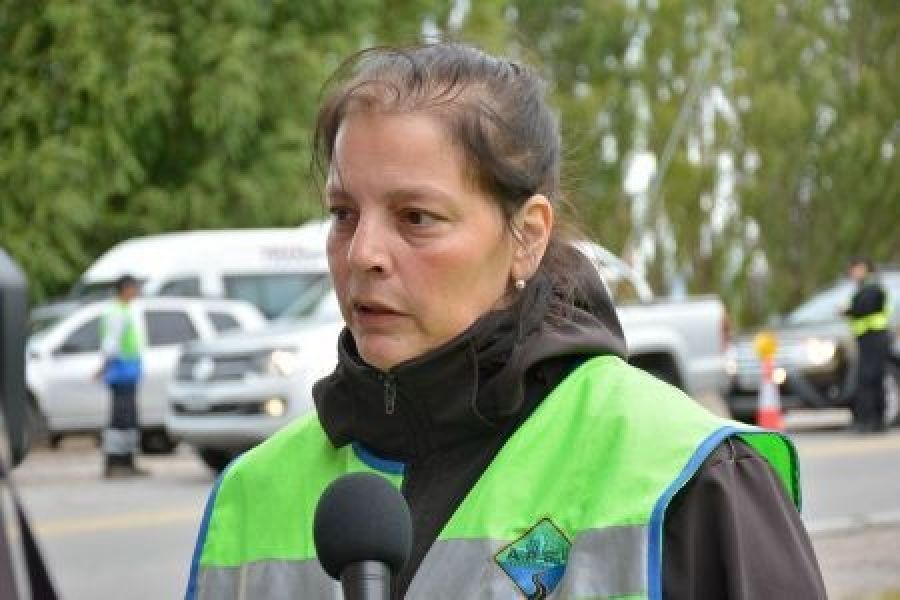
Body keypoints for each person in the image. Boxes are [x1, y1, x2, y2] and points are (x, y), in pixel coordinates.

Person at [186, 43, 825, 599]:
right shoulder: (250, 495)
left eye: (416, 217)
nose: (363, 255)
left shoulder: (687, 475)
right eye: (344, 212)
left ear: (526, 236)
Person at [97, 274, 147, 478]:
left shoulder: (126, 309)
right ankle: (115, 463)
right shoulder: (117, 312)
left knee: (129, 419)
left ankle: (128, 461)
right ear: (125, 289)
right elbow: (110, 344)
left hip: (128, 371)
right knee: (120, 419)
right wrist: (104, 367)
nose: (136, 291)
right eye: (134, 287)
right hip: (121, 371)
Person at [844, 257, 893, 433]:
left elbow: (864, 307)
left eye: (856, 269)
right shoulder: (865, 287)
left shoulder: (872, 287)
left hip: (875, 338)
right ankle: (871, 421)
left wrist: (847, 310)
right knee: (869, 379)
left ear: (865, 269)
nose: (853, 273)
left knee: (869, 378)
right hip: (867, 338)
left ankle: (872, 421)